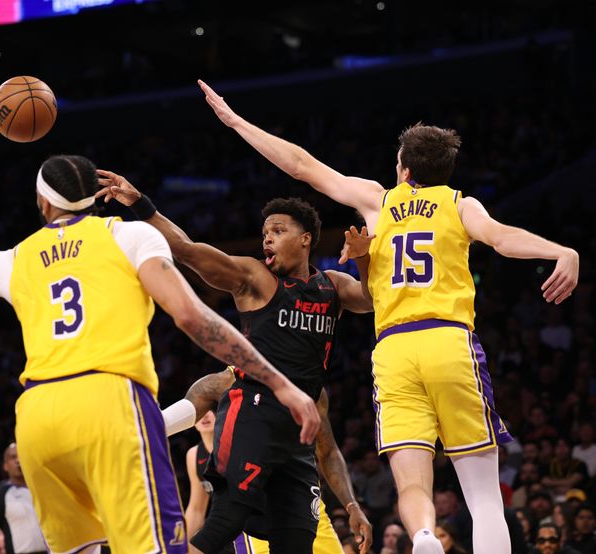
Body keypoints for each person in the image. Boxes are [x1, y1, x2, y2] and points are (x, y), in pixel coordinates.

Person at [0, 154, 319, 554]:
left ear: (43, 202)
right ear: (93, 199)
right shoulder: (129, 235)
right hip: (109, 401)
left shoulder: (5, 259)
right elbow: (191, 317)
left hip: (36, 420)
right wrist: (278, 381)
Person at [197, 79, 580, 554]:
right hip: (448, 339)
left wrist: (235, 121)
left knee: (412, 484)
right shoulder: (460, 204)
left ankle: (422, 537)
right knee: (482, 495)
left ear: (402, 167)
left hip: (394, 348)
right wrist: (561, 250)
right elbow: (502, 239)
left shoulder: (378, 201)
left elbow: (301, 165)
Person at [97, 169, 372, 554]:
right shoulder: (254, 278)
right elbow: (188, 250)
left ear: (306, 238)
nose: (267, 239)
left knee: (297, 543)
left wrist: (362, 261)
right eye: (264, 234)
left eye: (277, 230)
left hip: (297, 435)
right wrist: (141, 205)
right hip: (253, 414)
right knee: (223, 525)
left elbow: (376, 299)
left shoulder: (331, 285)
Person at [171, 367, 373, 553]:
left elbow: (328, 452)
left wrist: (352, 505)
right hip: (256, 513)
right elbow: (196, 510)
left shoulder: (310, 385)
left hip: (304, 506)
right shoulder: (230, 380)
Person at [0, 444, 45, 554]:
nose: (18, 461)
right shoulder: (1, 496)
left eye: (21, 456)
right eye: (13, 457)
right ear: (5, 466)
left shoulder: (44, 489)